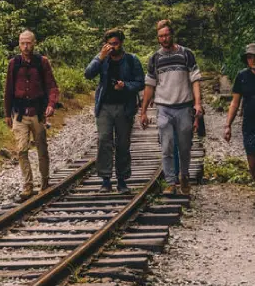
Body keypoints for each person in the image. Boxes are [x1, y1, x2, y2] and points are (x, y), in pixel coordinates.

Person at [139, 20, 203, 195]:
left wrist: (197, 103)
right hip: (164, 107)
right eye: (160, 36)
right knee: (166, 146)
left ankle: (184, 175)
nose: (164, 39)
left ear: (172, 35)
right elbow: (149, 85)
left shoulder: (186, 54)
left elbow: (195, 80)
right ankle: (170, 182)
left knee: (184, 146)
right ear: (157, 38)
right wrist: (143, 112)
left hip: (184, 106)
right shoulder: (155, 58)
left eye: (166, 35)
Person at [85, 28, 145, 194]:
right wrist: (100, 57)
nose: (113, 47)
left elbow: (141, 82)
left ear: (121, 43)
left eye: (116, 43)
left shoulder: (132, 60)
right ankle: (105, 180)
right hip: (104, 106)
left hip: (125, 106)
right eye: (110, 44)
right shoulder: (102, 59)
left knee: (122, 143)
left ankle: (122, 180)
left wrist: (125, 86)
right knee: (104, 140)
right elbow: (88, 74)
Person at [4, 30, 60, 201]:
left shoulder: (42, 62)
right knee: (22, 150)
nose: (26, 46)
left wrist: (51, 105)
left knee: (42, 148)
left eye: (28, 43)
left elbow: (52, 86)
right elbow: (8, 90)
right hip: (19, 114)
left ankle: (44, 182)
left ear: (34, 43)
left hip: (38, 113)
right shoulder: (14, 64)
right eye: (22, 43)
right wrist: (7, 114)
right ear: (19, 44)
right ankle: (27, 186)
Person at [224, 43, 255, 214]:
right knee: (252, 165)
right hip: (249, 126)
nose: (253, 60)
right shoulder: (242, 76)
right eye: (250, 57)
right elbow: (235, 102)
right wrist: (228, 125)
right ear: (246, 59)